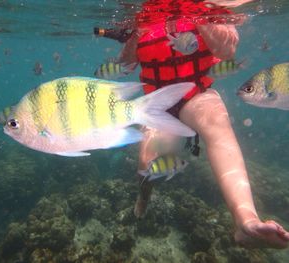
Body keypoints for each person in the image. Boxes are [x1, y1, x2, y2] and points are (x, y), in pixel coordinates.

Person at [117, 0, 289, 249]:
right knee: (147, 163)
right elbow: (125, 60)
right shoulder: (145, 12)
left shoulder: (208, 6)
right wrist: (136, 34)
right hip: (157, 101)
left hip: (195, 92)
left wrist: (200, 17)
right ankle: (143, 196)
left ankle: (245, 221)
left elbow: (227, 51)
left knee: (218, 124)